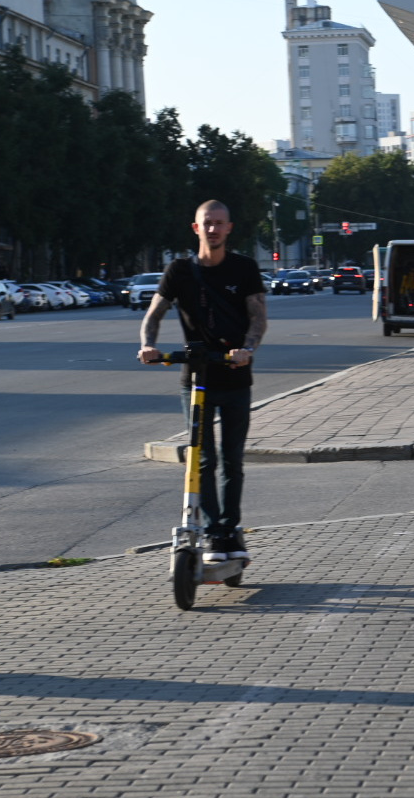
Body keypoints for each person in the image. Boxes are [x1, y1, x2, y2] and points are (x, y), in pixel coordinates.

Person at [138, 200, 268, 564]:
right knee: (202, 460)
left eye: (219, 224)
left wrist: (248, 348)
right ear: (195, 228)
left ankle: (230, 529)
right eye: (206, 223)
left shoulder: (244, 268)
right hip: (195, 379)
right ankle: (212, 532)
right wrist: (148, 345)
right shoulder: (179, 270)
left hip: (236, 377)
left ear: (229, 228)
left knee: (232, 460)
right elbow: (154, 313)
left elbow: (258, 317)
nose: (213, 229)